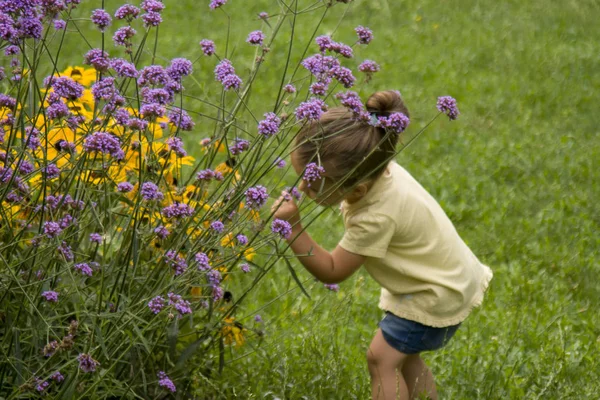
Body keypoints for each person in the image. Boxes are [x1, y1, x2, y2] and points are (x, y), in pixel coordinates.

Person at [271, 90, 493, 400]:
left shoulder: (376, 216)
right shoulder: (378, 165)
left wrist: (293, 228)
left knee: (381, 360)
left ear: (358, 190)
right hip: (449, 278)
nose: (301, 187)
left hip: (433, 291)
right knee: (405, 356)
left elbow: (333, 270)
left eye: (311, 184)